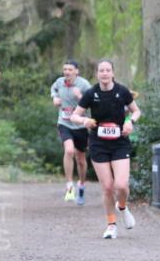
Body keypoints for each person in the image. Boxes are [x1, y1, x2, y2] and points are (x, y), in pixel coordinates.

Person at [70, 60, 141, 239]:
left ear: (113, 73)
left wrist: (129, 122)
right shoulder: (91, 93)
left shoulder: (122, 91)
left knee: (121, 185)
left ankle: (122, 207)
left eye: (107, 70)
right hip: (98, 144)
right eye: (101, 70)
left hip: (119, 143)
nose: (104, 73)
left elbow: (136, 111)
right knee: (108, 188)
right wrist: (84, 121)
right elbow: (74, 116)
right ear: (97, 74)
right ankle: (111, 225)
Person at [50, 61, 91, 205]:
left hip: (80, 125)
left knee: (81, 159)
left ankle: (81, 186)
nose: (66, 72)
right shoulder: (59, 82)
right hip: (64, 123)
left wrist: (81, 97)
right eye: (65, 69)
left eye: (70, 69)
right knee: (68, 151)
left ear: (76, 72)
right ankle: (69, 185)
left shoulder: (84, 85)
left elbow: (93, 101)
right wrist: (55, 97)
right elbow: (53, 89)